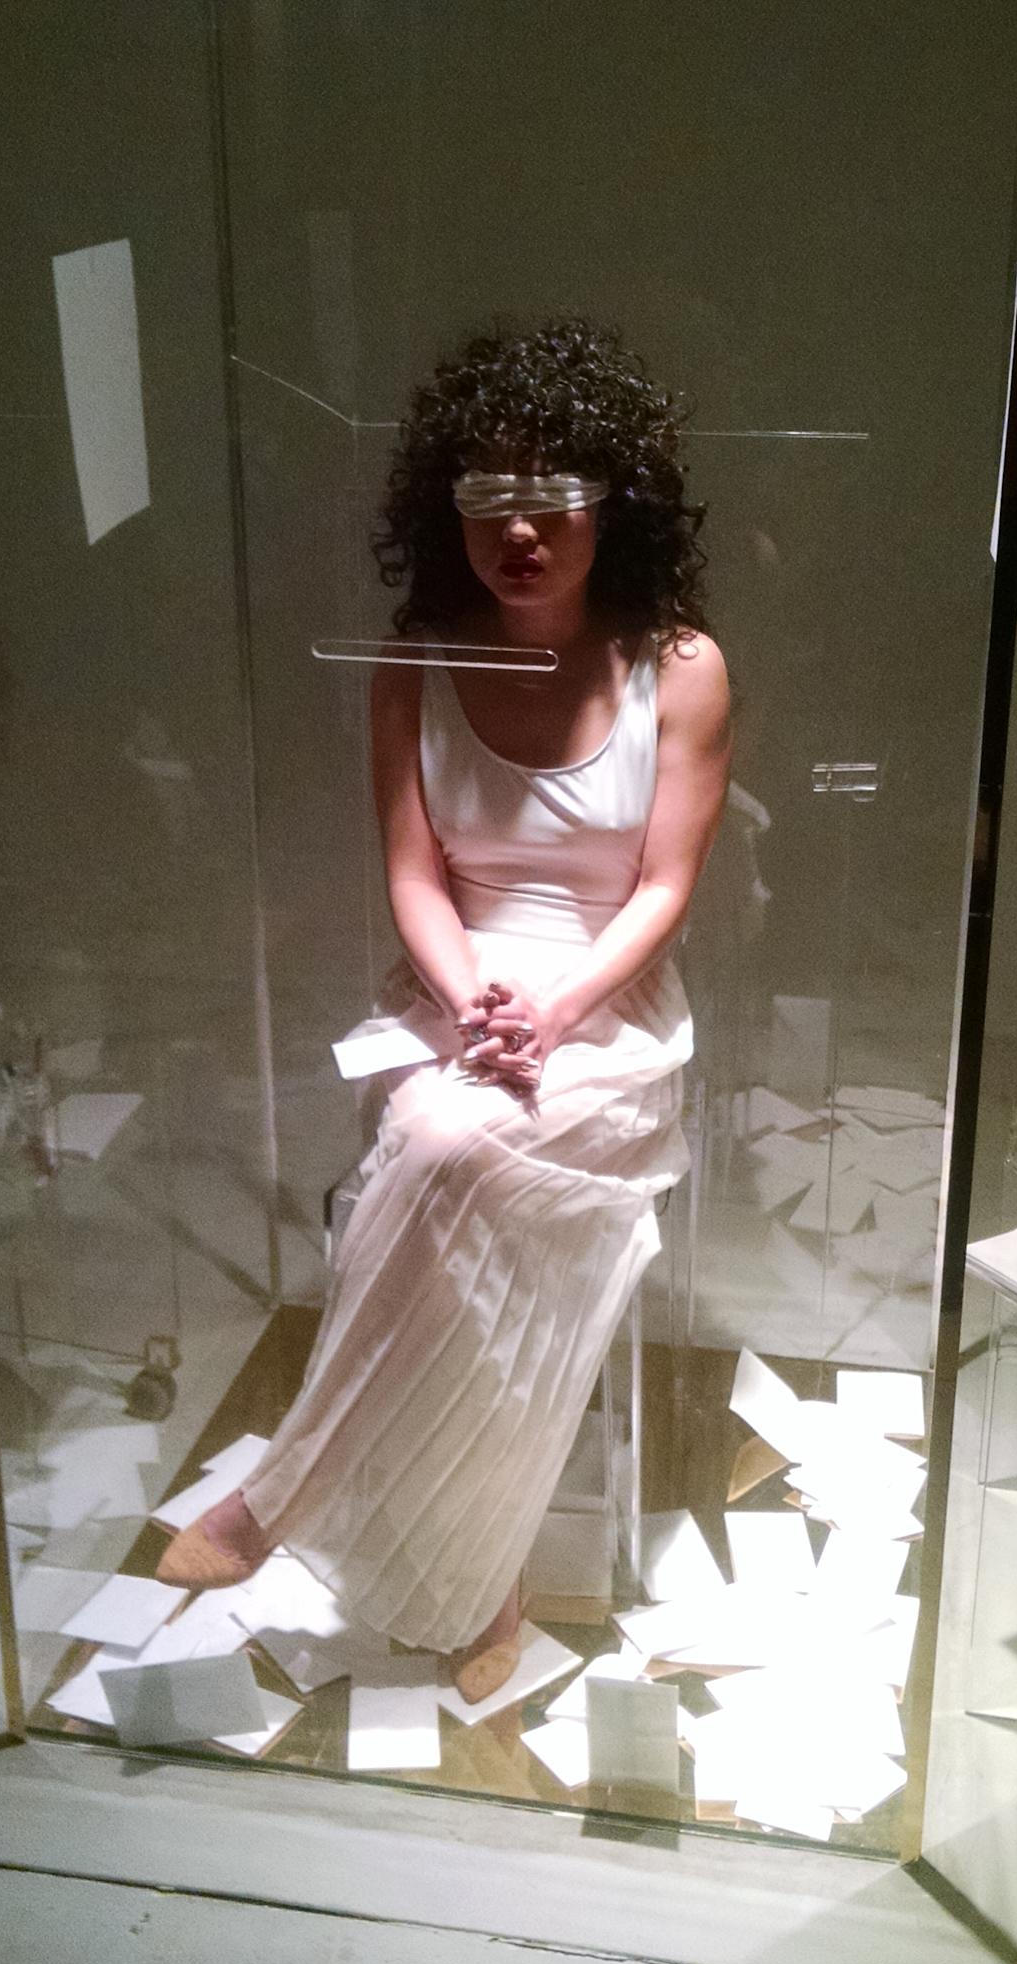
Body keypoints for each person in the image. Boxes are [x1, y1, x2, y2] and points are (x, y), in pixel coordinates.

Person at [158, 318, 732, 1702]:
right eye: (485, 496)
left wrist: (556, 1006)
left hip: (607, 1006)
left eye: (551, 496)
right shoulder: (416, 661)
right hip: (451, 994)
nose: (516, 530)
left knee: (439, 1149)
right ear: (444, 508)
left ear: (613, 505)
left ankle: (282, 1491)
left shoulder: (680, 666)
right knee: (449, 1159)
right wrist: (472, 993)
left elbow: (664, 888)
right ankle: (486, 1583)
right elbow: (413, 874)